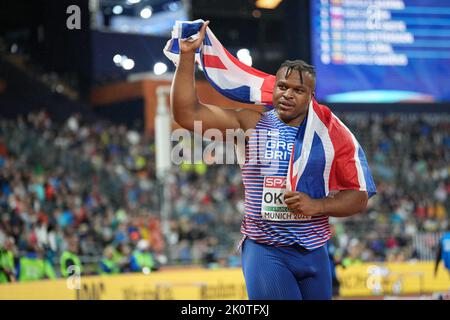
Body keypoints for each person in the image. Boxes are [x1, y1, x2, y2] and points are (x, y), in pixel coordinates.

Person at [170, 21, 375, 300]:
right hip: (265, 248)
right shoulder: (250, 124)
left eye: (297, 90)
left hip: (314, 250)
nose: (287, 94)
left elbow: (359, 197)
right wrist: (185, 57)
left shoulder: (328, 137)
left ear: (311, 97)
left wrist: (317, 205)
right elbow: (186, 114)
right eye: (282, 86)